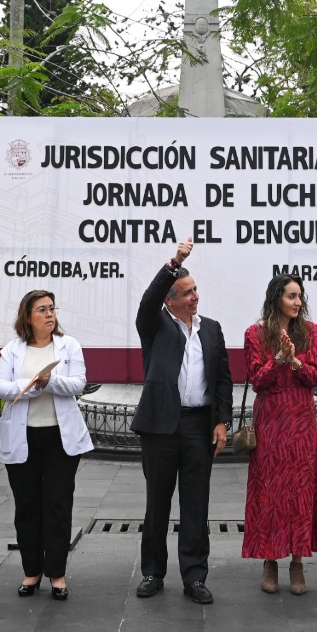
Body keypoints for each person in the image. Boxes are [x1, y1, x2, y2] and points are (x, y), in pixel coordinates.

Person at [131, 239, 232, 605]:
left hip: (198, 427)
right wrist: (174, 262)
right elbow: (148, 299)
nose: (195, 297)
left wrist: (222, 422)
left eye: (195, 290)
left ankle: (194, 576)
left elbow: (222, 379)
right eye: (187, 293)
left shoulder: (212, 329)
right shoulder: (154, 324)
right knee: (157, 504)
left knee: (196, 505)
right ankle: (153, 572)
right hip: (160, 427)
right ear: (170, 300)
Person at [0, 290, 92, 601]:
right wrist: (30, 387)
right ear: (28, 316)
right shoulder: (13, 349)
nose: (49, 314)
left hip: (60, 439)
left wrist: (51, 382)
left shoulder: (69, 345)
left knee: (58, 505)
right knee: (27, 506)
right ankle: (32, 571)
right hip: (23, 437)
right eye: (41, 309)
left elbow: (78, 382)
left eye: (52, 308)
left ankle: (57, 573)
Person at [242, 274, 317, 595]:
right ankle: (269, 560)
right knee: (271, 491)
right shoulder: (255, 333)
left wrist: (294, 362)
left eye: (300, 296)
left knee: (300, 491)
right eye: (291, 296)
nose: (298, 302)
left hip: (301, 420)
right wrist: (278, 359)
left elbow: (315, 376)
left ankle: (297, 562)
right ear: (276, 297)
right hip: (271, 421)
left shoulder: (311, 332)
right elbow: (257, 381)